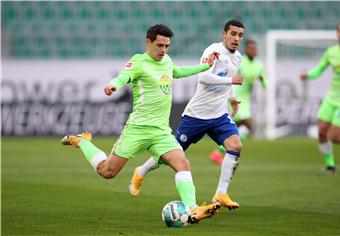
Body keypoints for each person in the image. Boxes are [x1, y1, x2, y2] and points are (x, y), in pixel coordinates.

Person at [61, 24, 221, 223]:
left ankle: (193, 208)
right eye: (160, 45)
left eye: (167, 46)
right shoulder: (138, 62)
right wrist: (114, 85)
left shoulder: (167, 61)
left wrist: (206, 65)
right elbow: (123, 76)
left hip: (161, 131)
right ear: (148, 42)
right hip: (137, 130)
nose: (163, 50)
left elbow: (178, 71)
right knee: (107, 171)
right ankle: (82, 141)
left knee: (182, 163)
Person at [129, 19, 245, 210]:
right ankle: (141, 171)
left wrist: (232, 97)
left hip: (219, 115)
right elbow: (204, 77)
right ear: (224, 34)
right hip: (196, 115)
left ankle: (221, 194)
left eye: (240, 35)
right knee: (170, 155)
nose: (236, 38)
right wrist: (231, 81)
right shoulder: (213, 51)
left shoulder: (237, 57)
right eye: (233, 34)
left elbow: (226, 80)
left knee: (236, 145)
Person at [300, 20, 340, 174]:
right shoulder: (331, 52)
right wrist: (308, 75)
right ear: (337, 33)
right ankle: (330, 166)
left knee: (333, 136)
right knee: (321, 132)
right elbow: (319, 69)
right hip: (331, 98)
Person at [210, 39, 268, 165]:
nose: (253, 50)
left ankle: (219, 152)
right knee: (247, 126)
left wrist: (263, 80)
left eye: (255, 48)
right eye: (251, 48)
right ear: (246, 50)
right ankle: (220, 152)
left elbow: (265, 82)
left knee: (239, 128)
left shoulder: (259, 64)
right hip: (235, 97)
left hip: (245, 99)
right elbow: (232, 74)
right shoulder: (240, 62)